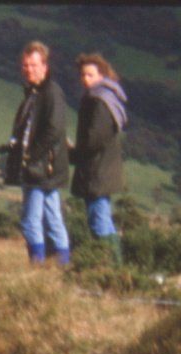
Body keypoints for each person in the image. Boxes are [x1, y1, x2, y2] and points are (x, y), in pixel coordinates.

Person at [2, 41, 70, 266]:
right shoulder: (35, 93)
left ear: (45, 67)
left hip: (41, 168)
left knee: (31, 221)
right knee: (53, 218)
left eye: (33, 65)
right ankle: (61, 266)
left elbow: (54, 129)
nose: (28, 69)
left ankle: (37, 266)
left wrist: (31, 155)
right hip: (46, 168)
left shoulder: (51, 93)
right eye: (25, 65)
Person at [72, 53, 126, 264]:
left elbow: (94, 139)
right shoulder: (105, 98)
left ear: (102, 75)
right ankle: (115, 265)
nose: (86, 79)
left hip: (98, 171)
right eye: (83, 75)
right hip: (101, 170)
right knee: (103, 219)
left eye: (91, 74)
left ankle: (112, 267)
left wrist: (74, 152)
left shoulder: (99, 101)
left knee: (99, 221)